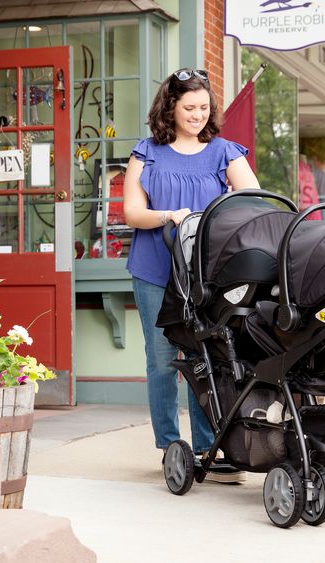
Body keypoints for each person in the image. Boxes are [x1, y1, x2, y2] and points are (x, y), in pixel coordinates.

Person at [123, 68, 259, 483]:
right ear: (170, 108)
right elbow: (131, 212)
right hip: (155, 268)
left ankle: (209, 446)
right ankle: (170, 446)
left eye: (204, 108)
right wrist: (167, 215)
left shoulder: (224, 152)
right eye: (189, 108)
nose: (198, 115)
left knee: (205, 355)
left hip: (207, 273)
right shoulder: (145, 152)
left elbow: (254, 201)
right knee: (163, 359)